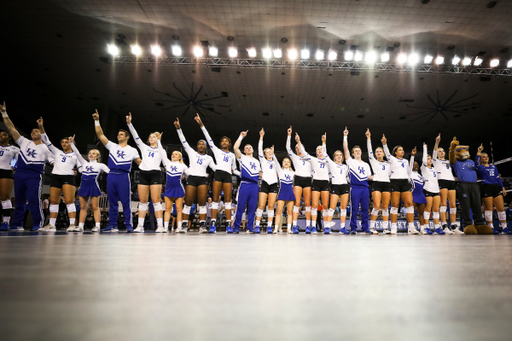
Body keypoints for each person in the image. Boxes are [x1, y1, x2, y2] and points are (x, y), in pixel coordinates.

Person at [1, 102, 55, 231]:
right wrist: (4, 113)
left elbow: (54, 163)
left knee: (33, 199)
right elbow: (12, 129)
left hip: (34, 175)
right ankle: (17, 224)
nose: (33, 132)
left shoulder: (46, 149)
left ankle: (38, 223)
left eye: (36, 131)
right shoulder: (24, 141)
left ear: (41, 134)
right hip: (20, 173)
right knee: (19, 200)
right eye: (32, 131)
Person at [93, 109, 141, 232]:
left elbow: (140, 163)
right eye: (118, 134)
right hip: (111, 176)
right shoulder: (112, 146)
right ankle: (112, 224)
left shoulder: (132, 150)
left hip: (123, 176)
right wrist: (97, 121)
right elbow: (100, 135)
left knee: (126, 202)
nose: (118, 135)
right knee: (112, 202)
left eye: (121, 134)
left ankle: (129, 225)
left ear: (127, 137)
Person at [195, 114, 237, 233]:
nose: (224, 142)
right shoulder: (216, 151)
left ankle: (229, 225)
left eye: (226, 141)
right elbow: (208, 138)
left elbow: (234, 168)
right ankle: (213, 224)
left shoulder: (232, 155)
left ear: (229, 144)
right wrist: (201, 124)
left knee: (228, 201)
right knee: (215, 200)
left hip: (228, 176)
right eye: (222, 141)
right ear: (220, 144)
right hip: (218, 174)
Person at [174, 117, 215, 233]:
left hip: (202, 180)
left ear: (206, 147)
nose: (201, 145)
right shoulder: (191, 152)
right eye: (199, 144)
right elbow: (183, 141)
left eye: (203, 144)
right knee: (187, 203)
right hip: (191, 179)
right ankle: (184, 226)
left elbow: (215, 168)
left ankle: (202, 227)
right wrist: (179, 129)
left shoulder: (209, 158)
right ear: (197, 146)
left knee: (202, 203)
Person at [38, 118, 79, 232]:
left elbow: (82, 166)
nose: (64, 144)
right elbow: (46, 140)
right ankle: (51, 225)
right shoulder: (57, 152)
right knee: (54, 201)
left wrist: (77, 171)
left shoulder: (76, 155)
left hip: (68, 177)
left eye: (67, 142)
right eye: (63, 142)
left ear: (71, 143)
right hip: (56, 177)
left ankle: (71, 225)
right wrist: (41, 127)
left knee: (69, 201)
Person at [126, 113, 164, 233]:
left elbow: (165, 158)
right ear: (148, 139)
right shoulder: (143, 147)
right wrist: (130, 124)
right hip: (143, 173)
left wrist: (160, 141)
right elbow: (135, 136)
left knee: (156, 201)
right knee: (142, 201)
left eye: (154, 136)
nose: (152, 138)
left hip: (155, 174)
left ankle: (160, 226)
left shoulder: (161, 149)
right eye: (151, 137)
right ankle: (140, 226)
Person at [68, 135, 109, 232]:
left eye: (94, 153)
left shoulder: (100, 165)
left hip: (93, 186)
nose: (91, 154)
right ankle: (81, 226)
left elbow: (110, 172)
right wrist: (71, 143)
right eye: (90, 153)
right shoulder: (84, 163)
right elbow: (77, 153)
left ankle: (97, 226)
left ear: (98, 156)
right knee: (83, 207)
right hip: (84, 186)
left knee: (95, 207)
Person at [381, 134, 417, 235]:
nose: (402, 151)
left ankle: (411, 227)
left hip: (405, 182)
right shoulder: (392, 159)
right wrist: (384, 144)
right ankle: (393, 227)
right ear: (395, 152)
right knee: (395, 205)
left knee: (409, 204)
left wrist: (413, 156)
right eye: (400, 150)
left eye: (402, 150)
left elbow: (409, 171)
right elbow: (387, 154)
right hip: (394, 182)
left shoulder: (405, 161)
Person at [295, 132, 330, 234]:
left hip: (325, 183)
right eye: (317, 149)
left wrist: (324, 142)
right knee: (314, 205)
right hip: (315, 182)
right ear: (315, 152)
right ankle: (313, 227)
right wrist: (298, 141)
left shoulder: (328, 161)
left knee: (326, 205)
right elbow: (303, 152)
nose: (319, 150)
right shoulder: (313, 160)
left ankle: (327, 227)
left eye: (321, 149)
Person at [475, 144, 511, 234]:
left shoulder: (494, 167)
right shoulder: (479, 167)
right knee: (489, 209)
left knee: (501, 208)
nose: (486, 158)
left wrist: (502, 187)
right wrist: (479, 151)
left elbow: (498, 177)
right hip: (486, 187)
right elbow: (475, 162)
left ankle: (504, 228)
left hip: (496, 187)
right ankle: (491, 227)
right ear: (480, 159)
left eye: (487, 156)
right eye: (483, 157)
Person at [343, 127, 372, 234]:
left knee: (365, 209)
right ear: (353, 154)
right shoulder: (350, 162)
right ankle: (353, 228)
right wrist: (345, 136)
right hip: (355, 187)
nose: (358, 152)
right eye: (355, 151)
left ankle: (365, 228)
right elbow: (345, 149)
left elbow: (369, 177)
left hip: (365, 188)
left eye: (359, 150)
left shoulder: (366, 164)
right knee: (354, 209)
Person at [157, 134, 188, 233]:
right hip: (169, 188)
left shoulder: (183, 166)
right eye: (172, 154)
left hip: (179, 188)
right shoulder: (167, 163)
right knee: (167, 209)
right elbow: (162, 152)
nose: (173, 155)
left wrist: (185, 177)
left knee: (179, 209)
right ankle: (165, 227)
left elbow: (190, 174)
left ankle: (179, 227)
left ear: (180, 157)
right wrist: (158, 141)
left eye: (176, 154)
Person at [233, 130, 261, 233]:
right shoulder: (242, 158)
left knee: (252, 208)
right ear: (244, 151)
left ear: (253, 150)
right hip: (244, 184)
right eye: (246, 148)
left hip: (254, 186)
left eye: (250, 147)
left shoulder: (257, 162)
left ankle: (249, 227)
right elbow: (235, 148)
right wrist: (241, 136)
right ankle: (236, 227)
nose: (248, 148)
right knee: (240, 207)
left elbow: (260, 173)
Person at [286, 126, 312, 233]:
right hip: (298, 179)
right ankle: (295, 225)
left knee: (307, 204)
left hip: (307, 180)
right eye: (296, 148)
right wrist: (289, 136)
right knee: (296, 203)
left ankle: (308, 226)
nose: (298, 149)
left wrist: (299, 141)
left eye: (299, 147)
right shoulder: (295, 157)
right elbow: (288, 148)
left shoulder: (309, 157)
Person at [365, 129, 391, 234]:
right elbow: (369, 150)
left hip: (387, 184)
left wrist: (385, 144)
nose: (378, 153)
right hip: (377, 183)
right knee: (376, 205)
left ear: (384, 153)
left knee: (385, 206)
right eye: (377, 152)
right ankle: (372, 227)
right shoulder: (373, 161)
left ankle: (385, 228)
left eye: (380, 151)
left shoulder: (389, 163)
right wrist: (368, 138)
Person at [323, 133, 349, 234]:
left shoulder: (346, 166)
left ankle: (342, 228)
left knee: (343, 208)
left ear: (342, 157)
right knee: (332, 207)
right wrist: (324, 142)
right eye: (337, 155)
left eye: (340, 155)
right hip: (335, 186)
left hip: (344, 186)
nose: (339, 156)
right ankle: (327, 227)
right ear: (334, 157)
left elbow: (348, 178)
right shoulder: (332, 164)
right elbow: (325, 154)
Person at [433, 134, 459, 234]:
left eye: (443, 151)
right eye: (440, 151)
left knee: (453, 205)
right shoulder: (436, 161)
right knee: (443, 204)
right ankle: (444, 225)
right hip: (442, 181)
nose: (442, 152)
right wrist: (437, 142)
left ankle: (453, 225)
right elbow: (434, 151)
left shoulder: (449, 161)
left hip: (451, 181)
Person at [255, 128, 278, 234]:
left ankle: (269, 226)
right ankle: (257, 226)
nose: (269, 153)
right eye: (267, 152)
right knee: (261, 205)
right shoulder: (263, 160)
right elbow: (260, 149)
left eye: (270, 152)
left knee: (271, 206)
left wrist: (274, 155)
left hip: (273, 185)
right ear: (264, 154)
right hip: (264, 183)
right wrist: (261, 137)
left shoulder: (275, 162)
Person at [420, 143, 445, 235]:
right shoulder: (423, 168)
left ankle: (437, 227)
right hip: (428, 189)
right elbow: (424, 160)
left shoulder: (434, 168)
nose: (429, 160)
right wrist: (425, 148)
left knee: (436, 209)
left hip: (436, 190)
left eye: (430, 158)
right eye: (428, 158)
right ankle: (426, 227)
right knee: (428, 209)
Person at [0, 129, 19, 230]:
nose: (1, 136)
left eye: (4, 135)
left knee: (4, 197)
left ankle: (6, 222)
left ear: (9, 138)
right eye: (0, 135)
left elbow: (18, 162)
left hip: (5, 171)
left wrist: (14, 166)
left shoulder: (14, 149)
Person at [273, 154, 295, 234]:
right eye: (284, 162)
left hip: (290, 191)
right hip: (282, 191)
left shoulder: (293, 173)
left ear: (290, 164)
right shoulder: (280, 170)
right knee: (279, 211)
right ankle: (276, 228)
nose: (286, 163)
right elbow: (275, 161)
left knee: (290, 212)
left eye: (288, 162)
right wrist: (273, 154)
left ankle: (289, 229)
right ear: (282, 163)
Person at [409, 148, 428, 234]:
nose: (415, 166)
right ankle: (411, 227)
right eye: (413, 165)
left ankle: (422, 228)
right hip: (413, 194)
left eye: (416, 165)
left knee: (421, 213)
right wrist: (412, 156)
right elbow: (410, 165)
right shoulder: (409, 173)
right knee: (411, 212)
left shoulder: (420, 176)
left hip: (421, 194)